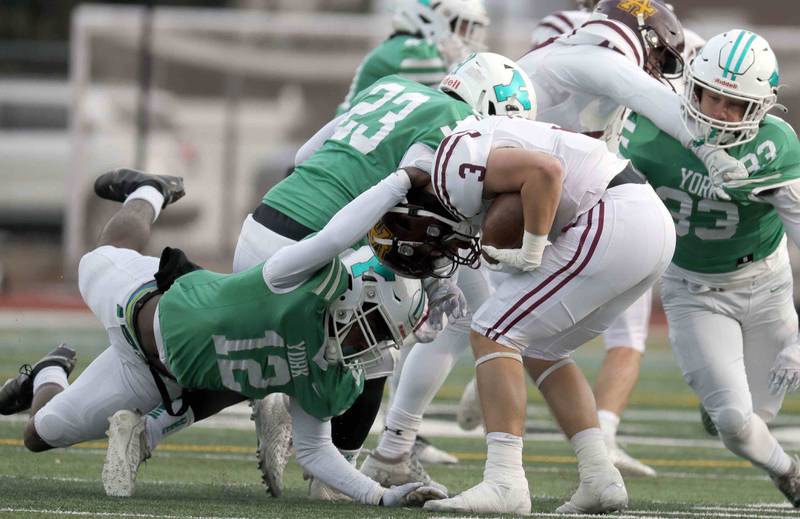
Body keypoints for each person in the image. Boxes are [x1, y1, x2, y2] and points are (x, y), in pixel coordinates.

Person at [108, 53, 534, 500]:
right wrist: (429, 278)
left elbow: (304, 154)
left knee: (254, 356)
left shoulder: (392, 87)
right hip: (318, 247)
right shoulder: (461, 127)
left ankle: (152, 429)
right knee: (375, 344)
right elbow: (408, 201)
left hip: (262, 225)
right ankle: (334, 475)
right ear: (491, 106)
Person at [365, 0, 709, 482]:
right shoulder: (590, 59)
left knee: (504, 332)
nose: (656, 68)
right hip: (487, 190)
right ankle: (401, 446)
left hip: (528, 202)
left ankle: (407, 445)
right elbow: (664, 111)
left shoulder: (589, 81)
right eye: (656, 55)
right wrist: (721, 141)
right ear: (635, 37)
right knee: (483, 326)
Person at [0, 166, 454, 508]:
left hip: (160, 380)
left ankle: (47, 372)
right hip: (139, 305)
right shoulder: (300, 280)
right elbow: (338, 235)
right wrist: (398, 183)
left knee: (39, 436)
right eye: (373, 328)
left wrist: (380, 497)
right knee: (103, 255)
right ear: (360, 292)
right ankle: (149, 191)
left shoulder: (334, 374)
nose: (366, 345)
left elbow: (316, 451)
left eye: (381, 340)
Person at [619, 30, 800, 507]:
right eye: (710, 95)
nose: (718, 112)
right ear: (691, 86)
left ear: (760, 108)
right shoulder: (648, 129)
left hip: (767, 284)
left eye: (733, 104)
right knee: (737, 425)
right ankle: (790, 473)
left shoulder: (774, 146)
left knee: (763, 410)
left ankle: (725, 395)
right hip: (694, 288)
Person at [337, 0, 489, 115]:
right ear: (431, 17)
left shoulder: (402, 46)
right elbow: (457, 113)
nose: (464, 36)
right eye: (461, 26)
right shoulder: (417, 52)